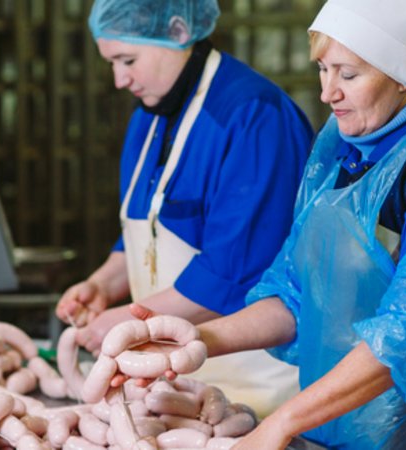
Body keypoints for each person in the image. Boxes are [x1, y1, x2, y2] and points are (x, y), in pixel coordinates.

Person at [117, 0, 406, 448]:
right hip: (343, 424)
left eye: (348, 74)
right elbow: (297, 294)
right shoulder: (344, 150)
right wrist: (198, 340)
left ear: (401, 74)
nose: (327, 93)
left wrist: (282, 422)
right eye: (323, 69)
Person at [55, 0, 314, 415]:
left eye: (128, 60)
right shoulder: (152, 115)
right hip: (174, 381)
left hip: (256, 392)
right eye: (112, 63)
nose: (119, 79)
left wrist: (131, 323)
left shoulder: (254, 118)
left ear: (177, 31)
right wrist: (103, 284)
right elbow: (152, 229)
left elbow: (234, 275)